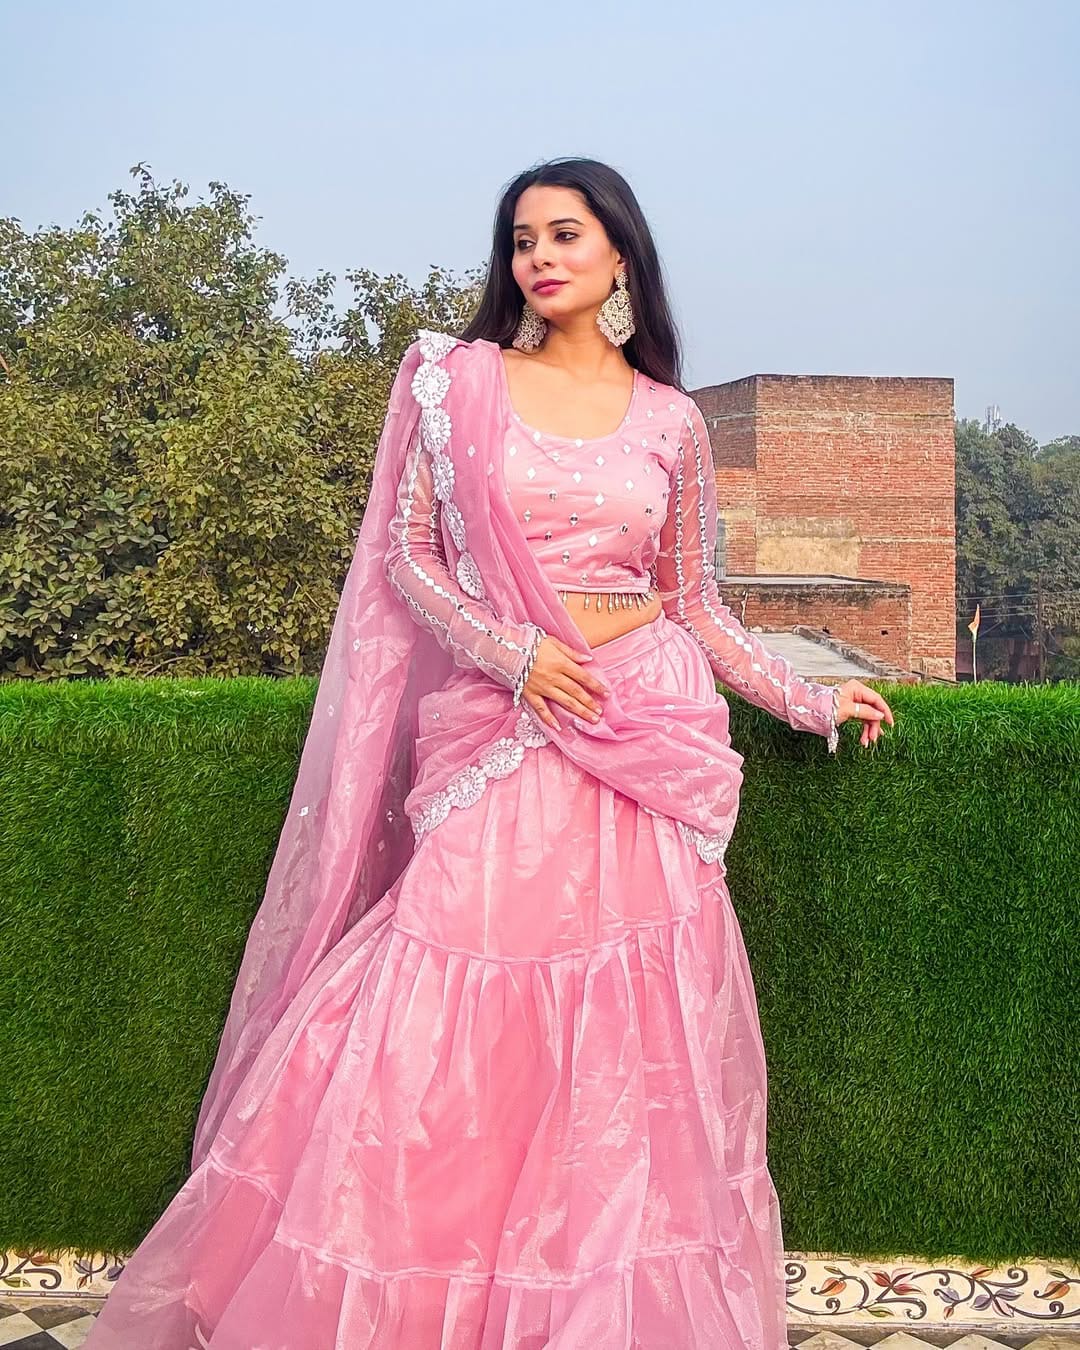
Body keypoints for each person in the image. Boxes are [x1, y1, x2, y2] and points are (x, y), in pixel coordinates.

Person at [84, 157, 894, 1349]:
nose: (540, 258)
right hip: (506, 731)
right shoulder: (458, 384)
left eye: (566, 234)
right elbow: (408, 557)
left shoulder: (671, 419)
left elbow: (696, 602)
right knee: (440, 1007)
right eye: (523, 240)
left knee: (624, 1044)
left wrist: (808, 698)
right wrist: (513, 653)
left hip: (641, 736)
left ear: (620, 254)